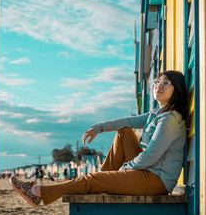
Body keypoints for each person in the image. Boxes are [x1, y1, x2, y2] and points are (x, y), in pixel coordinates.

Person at [10, 70, 188, 206]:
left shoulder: (171, 119)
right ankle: (101, 179)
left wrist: (127, 168)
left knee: (94, 180)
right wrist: (99, 128)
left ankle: (38, 192)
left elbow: (151, 155)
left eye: (167, 83)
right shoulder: (156, 113)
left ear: (177, 90)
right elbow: (126, 121)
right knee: (124, 131)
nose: (159, 86)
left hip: (156, 181)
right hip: (147, 171)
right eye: (158, 81)